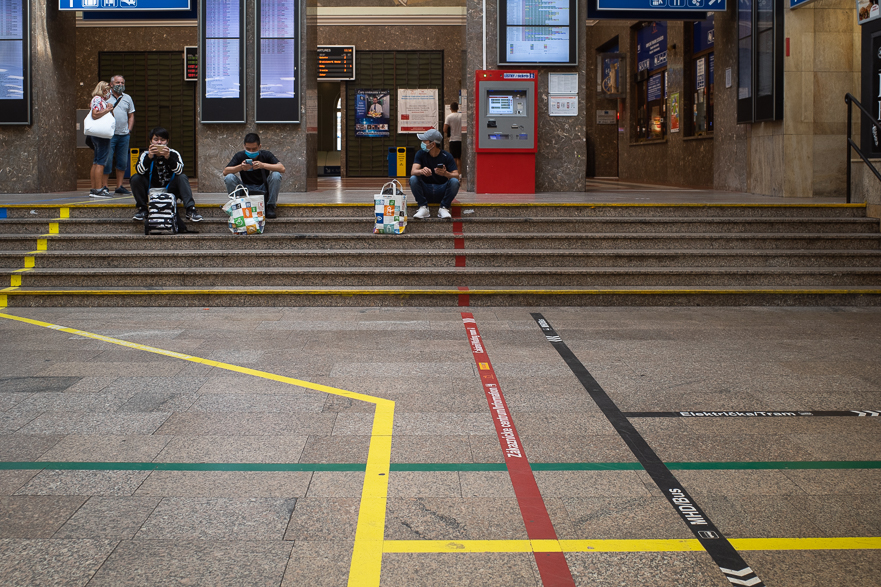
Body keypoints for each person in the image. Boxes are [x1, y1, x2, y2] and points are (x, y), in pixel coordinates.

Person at [130, 127, 202, 223]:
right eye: (156, 140)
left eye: (162, 140)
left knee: (182, 177)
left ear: (167, 141)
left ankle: (190, 209)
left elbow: (179, 171)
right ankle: (142, 209)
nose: (159, 143)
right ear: (151, 141)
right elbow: (140, 171)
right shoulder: (145, 154)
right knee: (135, 178)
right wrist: (149, 157)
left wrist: (168, 158)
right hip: (151, 188)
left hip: (170, 189)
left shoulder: (174, 153)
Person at [223, 133, 286, 219]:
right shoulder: (240, 155)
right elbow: (225, 172)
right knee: (229, 177)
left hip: (263, 188)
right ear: (244, 146)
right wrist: (241, 167)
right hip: (245, 189)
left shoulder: (266, 154)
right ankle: (236, 205)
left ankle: (270, 206)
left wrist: (263, 165)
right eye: (248, 149)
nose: (251, 151)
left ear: (259, 146)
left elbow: (282, 168)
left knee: (276, 175)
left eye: (254, 149)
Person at [409, 128, 459, 220]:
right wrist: (421, 171)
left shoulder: (446, 156)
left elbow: (456, 175)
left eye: (425, 141)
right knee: (413, 179)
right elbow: (413, 171)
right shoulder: (420, 154)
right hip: (425, 190)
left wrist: (446, 174)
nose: (423, 143)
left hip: (442, 190)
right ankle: (423, 207)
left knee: (455, 181)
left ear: (433, 144)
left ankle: (444, 207)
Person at [103, 75, 136, 195]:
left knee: (122, 162)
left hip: (124, 135)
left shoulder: (127, 98)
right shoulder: (105, 97)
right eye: (117, 82)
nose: (120, 85)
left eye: (122, 83)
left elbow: (131, 115)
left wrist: (129, 130)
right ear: (111, 84)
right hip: (109, 135)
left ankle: (119, 186)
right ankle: (105, 186)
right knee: (107, 161)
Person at [88, 81, 114, 198]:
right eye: (107, 90)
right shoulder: (98, 99)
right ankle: (98, 189)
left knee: (96, 161)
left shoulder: (99, 100)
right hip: (101, 135)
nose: (109, 93)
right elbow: (95, 114)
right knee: (100, 162)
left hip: (97, 134)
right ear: (103, 90)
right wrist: (107, 110)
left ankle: (94, 188)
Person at [443, 101, 463, 173]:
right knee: (459, 158)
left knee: (453, 158)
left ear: (450, 108)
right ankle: (460, 174)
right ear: (458, 108)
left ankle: (454, 173)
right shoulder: (462, 116)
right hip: (460, 139)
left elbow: (444, 129)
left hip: (453, 139)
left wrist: (449, 132)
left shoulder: (449, 117)